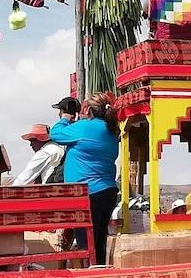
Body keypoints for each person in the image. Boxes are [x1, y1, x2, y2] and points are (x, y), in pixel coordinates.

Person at [49, 94, 119, 263]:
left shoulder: (84, 128)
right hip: (107, 190)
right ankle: (99, 273)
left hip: (88, 194)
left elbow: (55, 133)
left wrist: (65, 117)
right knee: (99, 240)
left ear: (88, 110)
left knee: (86, 244)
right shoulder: (111, 131)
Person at [11, 123, 67, 188]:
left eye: (32, 141)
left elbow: (26, 176)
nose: (31, 145)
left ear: (39, 139)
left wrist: (11, 189)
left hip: (48, 190)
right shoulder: (59, 149)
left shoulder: (44, 152)